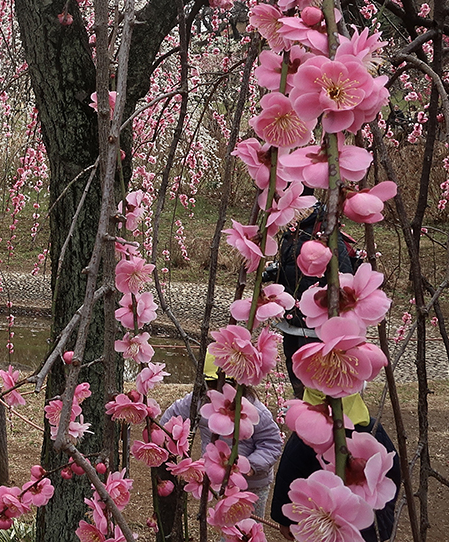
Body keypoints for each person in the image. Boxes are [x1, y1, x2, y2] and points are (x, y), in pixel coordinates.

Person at [160, 354, 283, 517]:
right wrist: (164, 436)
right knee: (227, 523)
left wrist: (252, 466)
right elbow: (172, 414)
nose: (215, 392)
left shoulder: (255, 411)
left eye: (223, 385)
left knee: (246, 528)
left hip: (251, 484)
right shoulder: (200, 400)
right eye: (210, 385)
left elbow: (272, 443)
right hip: (219, 479)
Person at [270, 389, 400, 541]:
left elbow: (289, 474)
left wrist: (284, 520)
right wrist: (385, 510)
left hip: (322, 526)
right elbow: (393, 473)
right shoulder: (373, 431)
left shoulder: (305, 436)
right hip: (363, 524)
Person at [269, 201, 359, 397]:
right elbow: (290, 270)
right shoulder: (290, 235)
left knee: (313, 368)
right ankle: (301, 403)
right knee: (294, 363)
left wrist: (321, 299)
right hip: (292, 318)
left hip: (316, 322)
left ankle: (318, 407)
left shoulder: (326, 236)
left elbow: (345, 277)